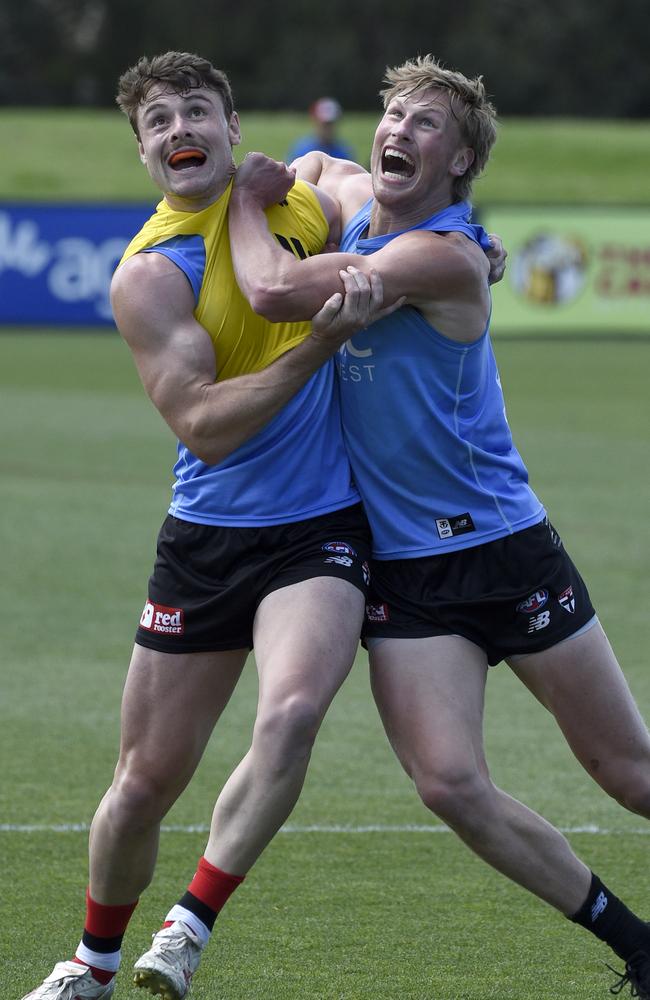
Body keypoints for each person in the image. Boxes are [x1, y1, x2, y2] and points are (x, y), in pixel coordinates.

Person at [227, 54, 650, 998]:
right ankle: (640, 946)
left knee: (628, 771)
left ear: (461, 164)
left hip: (503, 548)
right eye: (395, 116)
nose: (399, 133)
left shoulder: (446, 256)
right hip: (409, 572)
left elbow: (270, 292)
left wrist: (250, 210)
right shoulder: (350, 197)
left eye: (427, 127)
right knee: (449, 785)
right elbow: (308, 167)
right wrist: (290, 179)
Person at [19, 51, 406, 1000]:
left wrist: (469, 241)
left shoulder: (304, 193)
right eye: (158, 120)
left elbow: (393, 206)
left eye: (199, 109)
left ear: (234, 129)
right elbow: (206, 428)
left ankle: (189, 924)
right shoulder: (150, 274)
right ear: (145, 151)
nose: (180, 127)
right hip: (208, 536)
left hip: (321, 527)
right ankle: (91, 963)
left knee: (294, 711)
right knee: (143, 785)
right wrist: (322, 340)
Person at [286, 96, 355, 163]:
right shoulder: (301, 151)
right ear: (315, 121)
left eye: (331, 124)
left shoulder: (344, 151)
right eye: (325, 124)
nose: (328, 128)